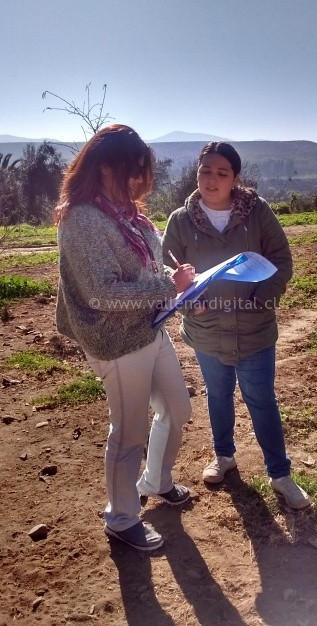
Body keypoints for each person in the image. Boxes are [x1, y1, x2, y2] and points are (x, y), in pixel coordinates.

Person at [55, 124, 196, 552]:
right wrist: (168, 289)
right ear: (99, 168)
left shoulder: (129, 215)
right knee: (129, 430)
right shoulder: (82, 220)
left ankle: (155, 479)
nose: (136, 181)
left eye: (141, 172)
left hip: (148, 328)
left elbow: (148, 271)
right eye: (128, 171)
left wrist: (178, 283)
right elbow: (101, 293)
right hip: (114, 341)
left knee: (177, 408)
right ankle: (120, 517)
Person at [162, 141, 310, 510]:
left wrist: (260, 302)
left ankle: (280, 474)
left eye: (221, 173)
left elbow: (281, 260)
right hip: (207, 330)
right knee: (218, 395)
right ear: (197, 173)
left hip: (255, 329)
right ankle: (225, 457)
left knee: (262, 400)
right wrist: (186, 299)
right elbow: (165, 271)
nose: (211, 180)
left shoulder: (257, 212)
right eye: (205, 171)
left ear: (235, 178)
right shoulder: (181, 221)